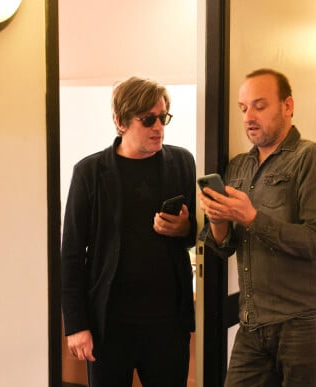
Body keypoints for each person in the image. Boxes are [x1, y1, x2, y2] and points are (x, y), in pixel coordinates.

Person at [198, 68, 316, 387]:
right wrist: (219, 220)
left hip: (305, 324)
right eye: (243, 108)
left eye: (260, 106)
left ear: (287, 106)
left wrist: (252, 217)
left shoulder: (312, 158)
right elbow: (225, 246)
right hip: (252, 325)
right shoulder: (238, 166)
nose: (249, 116)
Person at [61, 76, 197, 387]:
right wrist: (76, 325)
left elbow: (197, 235)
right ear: (120, 121)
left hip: (167, 323)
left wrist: (185, 229)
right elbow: (70, 254)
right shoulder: (90, 173)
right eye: (148, 119)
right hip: (109, 323)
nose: (159, 127)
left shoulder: (182, 163)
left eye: (163, 118)